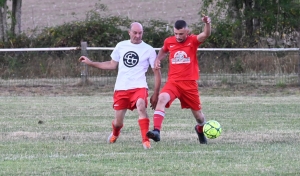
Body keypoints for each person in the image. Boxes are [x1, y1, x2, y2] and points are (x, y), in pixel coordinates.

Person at [79, 22, 161, 149]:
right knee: (118, 123)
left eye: (140, 33)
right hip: (121, 88)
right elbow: (111, 65)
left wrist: (156, 93)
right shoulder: (121, 46)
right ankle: (115, 133)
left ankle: (145, 141)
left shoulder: (149, 50)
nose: (138, 36)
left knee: (141, 106)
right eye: (135, 33)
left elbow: (156, 72)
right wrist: (91, 63)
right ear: (129, 32)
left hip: (139, 86)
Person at [146, 16, 211, 144]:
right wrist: (158, 59)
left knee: (199, 117)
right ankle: (156, 131)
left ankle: (200, 129)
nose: (178, 36)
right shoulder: (169, 41)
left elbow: (205, 34)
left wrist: (208, 24)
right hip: (173, 82)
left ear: (187, 32)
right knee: (162, 98)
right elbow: (164, 50)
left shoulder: (193, 40)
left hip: (189, 84)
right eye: (176, 33)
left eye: (181, 34)